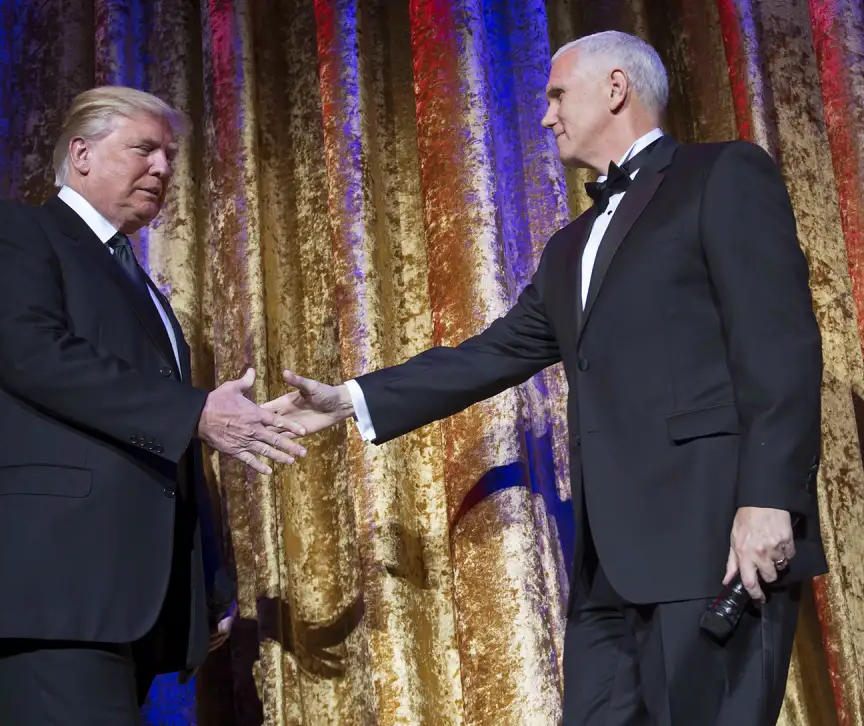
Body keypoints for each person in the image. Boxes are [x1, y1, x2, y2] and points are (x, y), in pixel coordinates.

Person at [265, 31, 826, 725]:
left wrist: (769, 499)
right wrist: (351, 399)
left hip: (710, 545)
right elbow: (492, 353)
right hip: (609, 573)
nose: (545, 115)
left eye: (558, 95)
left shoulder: (723, 175)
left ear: (615, 88)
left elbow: (781, 346)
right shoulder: (570, 248)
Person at [0, 86, 307, 725]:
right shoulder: (11, 229)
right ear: (81, 154)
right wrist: (196, 411)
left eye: (169, 156)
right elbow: (34, 356)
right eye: (144, 149)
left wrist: (205, 581)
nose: (163, 169)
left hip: (121, 594)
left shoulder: (139, 282)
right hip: (42, 580)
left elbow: (157, 441)